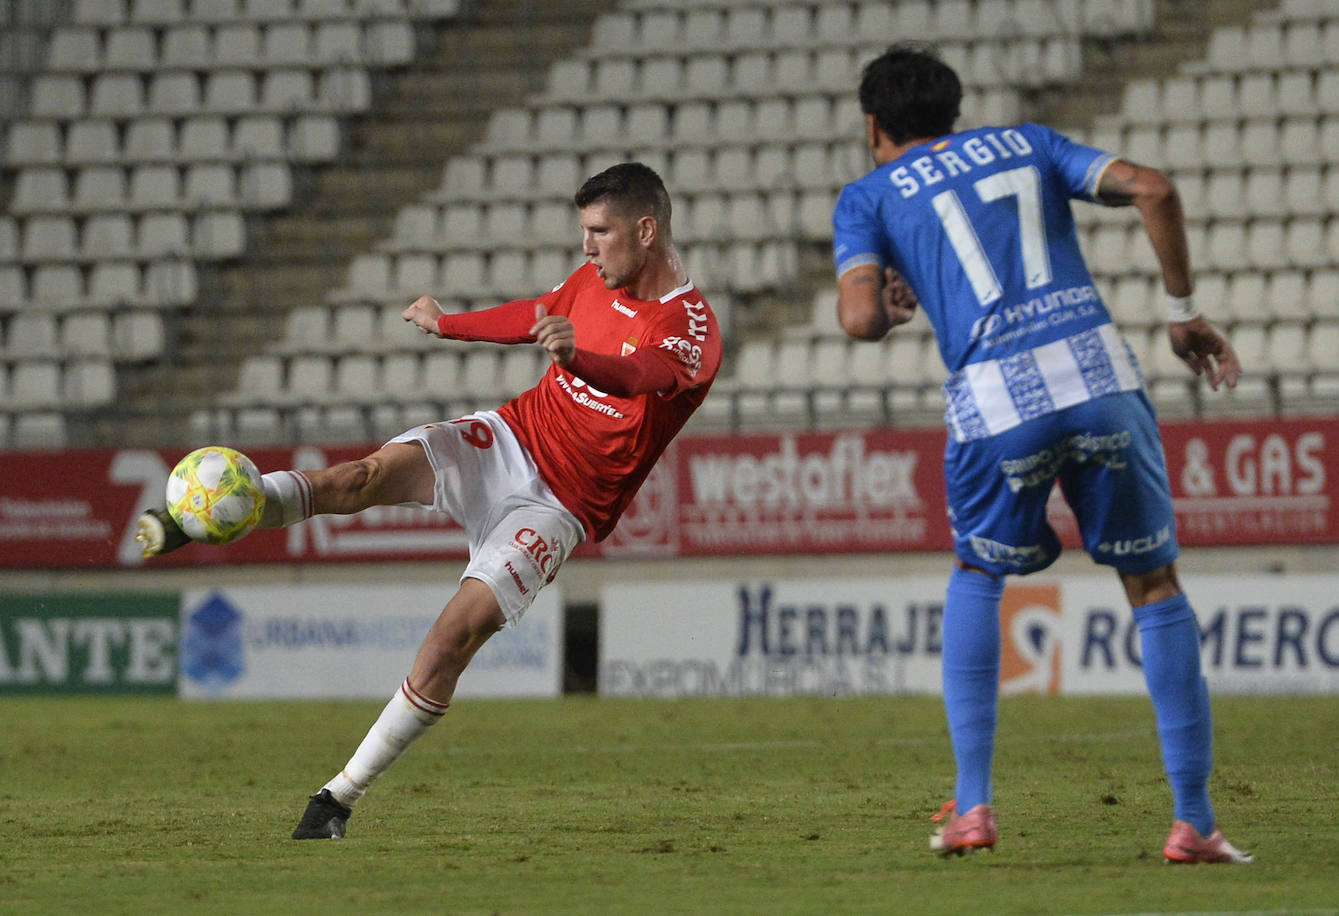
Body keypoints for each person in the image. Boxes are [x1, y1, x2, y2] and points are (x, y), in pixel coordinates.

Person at [137, 162, 721, 839]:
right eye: (585, 232)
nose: (587, 247)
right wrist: (452, 326)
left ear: (645, 230)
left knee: (450, 639)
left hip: (559, 505)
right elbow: (536, 316)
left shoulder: (693, 327)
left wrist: (577, 360)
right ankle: (195, 518)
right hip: (511, 437)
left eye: (600, 232)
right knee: (355, 479)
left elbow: (642, 376)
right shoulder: (594, 278)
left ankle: (336, 800)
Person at [832, 45, 1250, 864]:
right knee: (1154, 583)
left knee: (978, 576)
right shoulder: (1028, 142)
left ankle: (976, 808)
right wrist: (1182, 311)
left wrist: (885, 304)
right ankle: (1194, 821)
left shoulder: (870, 195)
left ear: (873, 126)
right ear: (954, 112)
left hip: (997, 401)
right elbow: (1153, 188)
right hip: (1097, 374)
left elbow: (857, 321)